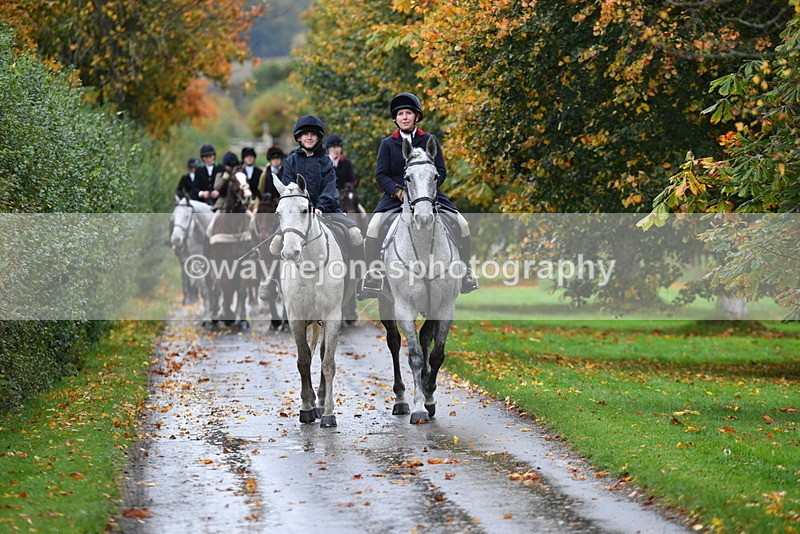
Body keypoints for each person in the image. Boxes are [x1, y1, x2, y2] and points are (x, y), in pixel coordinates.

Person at [358, 92, 479, 299]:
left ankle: (466, 273)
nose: (404, 117)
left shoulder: (429, 140)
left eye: (408, 113)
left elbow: (441, 170)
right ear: (395, 119)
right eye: (400, 114)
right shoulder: (387, 143)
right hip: (395, 197)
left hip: (428, 196)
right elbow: (381, 174)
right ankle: (373, 275)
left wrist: (425, 191)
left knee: (463, 223)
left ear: (416, 117)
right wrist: (398, 191)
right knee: (374, 226)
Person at [259, 115, 364, 302]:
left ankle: (360, 280)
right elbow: (288, 189)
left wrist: (320, 206)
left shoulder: (326, 162)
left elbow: (331, 188)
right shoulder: (291, 161)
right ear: (299, 138)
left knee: (355, 233)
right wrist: (301, 207)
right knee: (275, 243)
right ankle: (271, 281)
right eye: (305, 134)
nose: (309, 137)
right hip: (296, 214)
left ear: (318, 138)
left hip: (327, 210)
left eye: (313, 135)